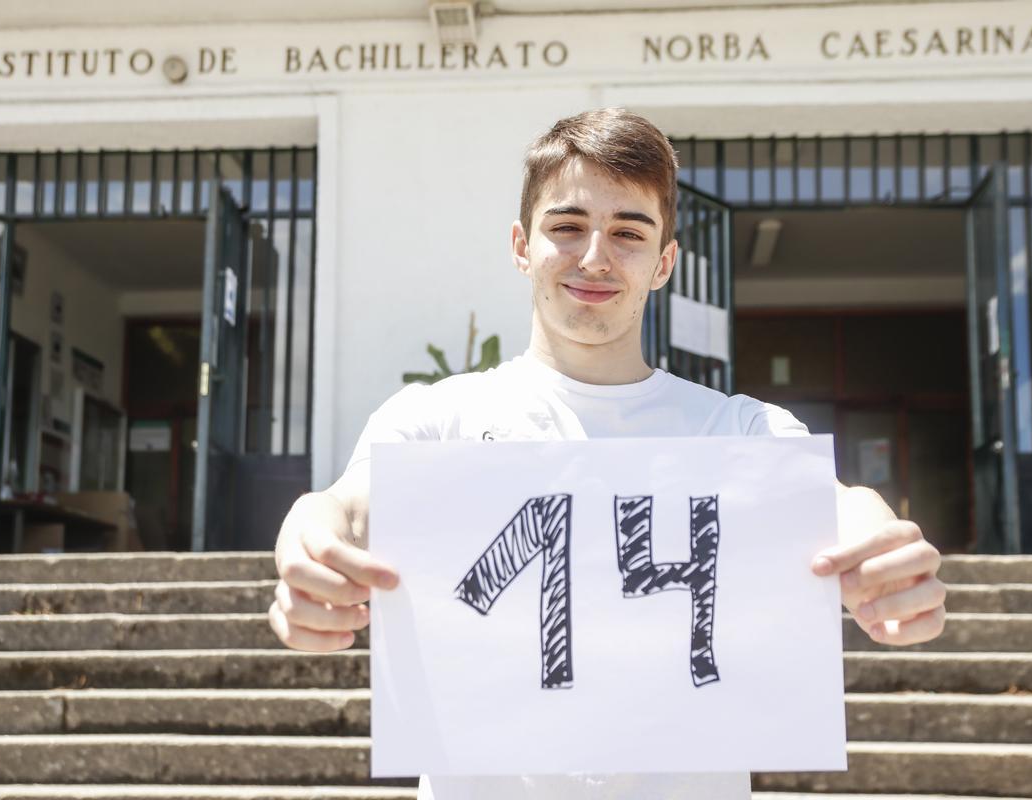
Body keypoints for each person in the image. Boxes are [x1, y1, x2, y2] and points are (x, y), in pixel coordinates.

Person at [268, 107, 947, 800]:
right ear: (520, 245)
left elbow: (834, 503)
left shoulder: (737, 432)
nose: (594, 257)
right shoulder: (436, 420)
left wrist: (877, 538)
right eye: (567, 226)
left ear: (664, 262)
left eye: (628, 232)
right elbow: (348, 506)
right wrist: (308, 533)